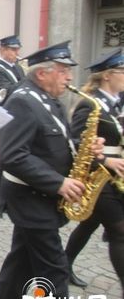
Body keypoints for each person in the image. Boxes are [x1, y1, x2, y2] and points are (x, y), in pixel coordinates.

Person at [0, 41, 105, 298]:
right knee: (55, 268)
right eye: (63, 71)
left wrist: (88, 150)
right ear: (42, 73)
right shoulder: (23, 101)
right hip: (30, 200)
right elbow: (12, 155)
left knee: (19, 264)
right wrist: (59, 183)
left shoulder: (50, 100)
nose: (70, 77)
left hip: (38, 199)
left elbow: (57, 142)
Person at [66, 48, 124, 293]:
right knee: (120, 230)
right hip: (98, 178)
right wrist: (105, 161)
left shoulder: (119, 103)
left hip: (118, 176)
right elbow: (76, 143)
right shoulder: (90, 105)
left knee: (89, 224)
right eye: (123, 71)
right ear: (107, 75)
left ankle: (64, 263)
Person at [0, 35, 26, 212]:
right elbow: (4, 92)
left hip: (18, 119)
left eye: (17, 49)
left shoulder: (17, 68)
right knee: (4, 160)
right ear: (3, 50)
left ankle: (7, 196)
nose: (16, 53)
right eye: (12, 49)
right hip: (5, 119)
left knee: (11, 159)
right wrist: (27, 80)